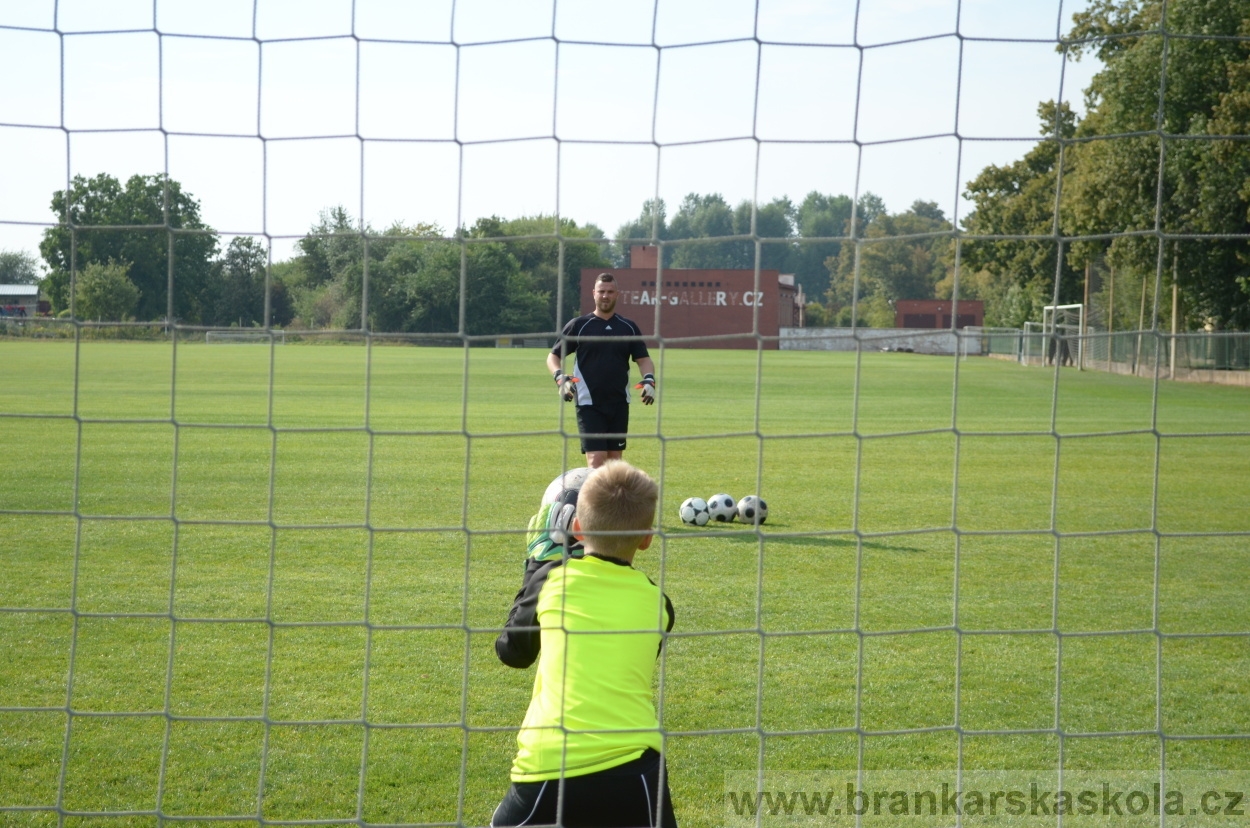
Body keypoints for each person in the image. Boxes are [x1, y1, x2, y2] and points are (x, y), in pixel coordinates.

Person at [493, 461, 677, 828]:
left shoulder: (550, 579)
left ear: (576, 526)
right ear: (647, 538)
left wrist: (534, 566)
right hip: (637, 769)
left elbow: (513, 653)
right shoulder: (660, 603)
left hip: (550, 766)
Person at [547, 273, 656, 469]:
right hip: (589, 404)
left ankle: (611, 501)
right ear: (594, 294)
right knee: (596, 461)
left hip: (619, 404)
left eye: (610, 292)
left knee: (614, 464)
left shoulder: (628, 327)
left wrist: (649, 380)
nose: (605, 296)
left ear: (617, 295)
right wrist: (560, 378)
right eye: (601, 291)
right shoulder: (578, 326)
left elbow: (643, 359)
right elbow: (553, 357)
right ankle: (593, 501)